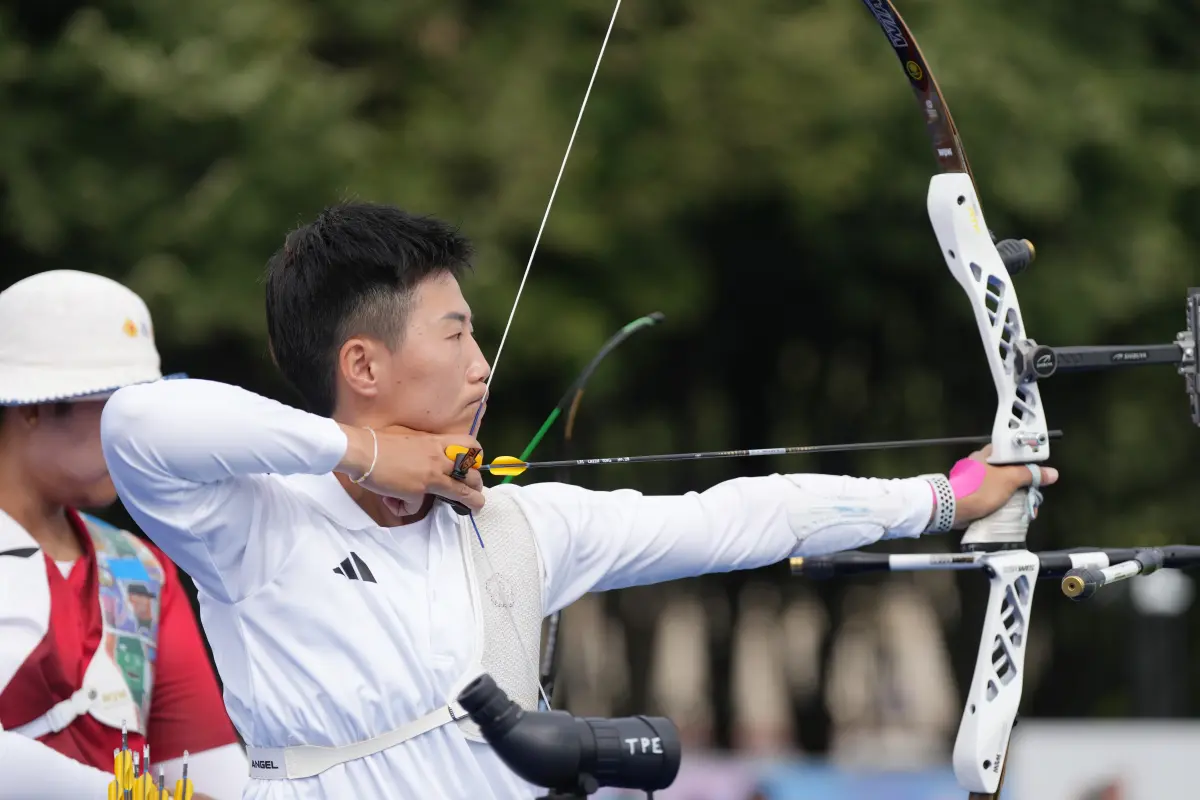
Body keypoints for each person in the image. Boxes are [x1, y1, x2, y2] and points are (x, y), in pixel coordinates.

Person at [98, 203, 1058, 800]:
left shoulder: (516, 528)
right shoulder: (256, 521)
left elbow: (734, 517)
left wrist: (946, 495)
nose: (482, 368)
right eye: (456, 337)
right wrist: (367, 451)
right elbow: (138, 423)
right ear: (363, 365)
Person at [0, 270, 248, 798]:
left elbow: (213, 778)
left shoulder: (138, 569)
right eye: (121, 409)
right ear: (33, 408)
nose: (143, 435)